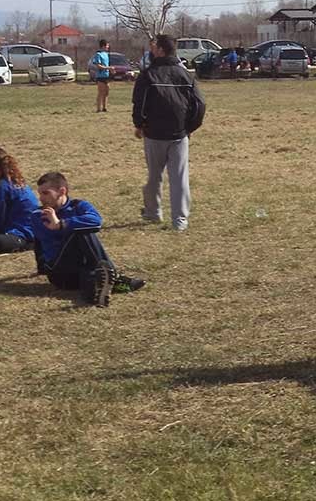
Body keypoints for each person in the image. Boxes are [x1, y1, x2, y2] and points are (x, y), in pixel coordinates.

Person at [33, 172, 145, 307]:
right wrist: (61, 226)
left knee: (90, 273)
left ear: (62, 191)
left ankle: (97, 293)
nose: (41, 198)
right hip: (60, 272)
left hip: (83, 267)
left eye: (45, 193)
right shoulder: (39, 215)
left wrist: (62, 223)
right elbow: (51, 240)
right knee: (81, 232)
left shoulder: (79, 205)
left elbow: (96, 221)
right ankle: (114, 279)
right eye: (40, 194)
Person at [131, 34, 206, 232]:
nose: (151, 50)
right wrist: (189, 127)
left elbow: (139, 103)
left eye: (154, 47)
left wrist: (139, 125)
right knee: (179, 178)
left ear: (161, 50)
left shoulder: (148, 75)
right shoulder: (186, 75)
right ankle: (180, 220)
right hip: (179, 134)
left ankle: (153, 212)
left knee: (154, 176)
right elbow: (199, 105)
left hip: (154, 134)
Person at [0, 147, 39, 253]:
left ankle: (27, 244)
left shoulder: (1, 186)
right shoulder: (15, 180)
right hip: (31, 226)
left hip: (22, 230)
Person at [92, 39, 111, 112]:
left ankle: (104, 107)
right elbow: (98, 66)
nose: (108, 47)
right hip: (100, 76)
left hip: (106, 75)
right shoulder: (98, 54)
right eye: (107, 45)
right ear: (103, 46)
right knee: (101, 92)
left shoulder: (106, 54)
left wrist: (110, 70)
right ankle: (98, 108)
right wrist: (108, 68)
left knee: (107, 92)